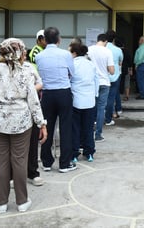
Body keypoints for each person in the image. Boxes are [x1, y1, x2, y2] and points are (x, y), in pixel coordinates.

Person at [0, 38, 48, 213]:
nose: (25, 53)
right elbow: (33, 101)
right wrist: (42, 123)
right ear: (19, 53)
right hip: (21, 123)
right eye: (23, 50)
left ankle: (1, 203)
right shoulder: (26, 72)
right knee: (19, 160)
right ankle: (22, 202)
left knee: (1, 160)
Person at [35, 27, 76, 173]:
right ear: (59, 39)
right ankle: (65, 163)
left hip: (47, 94)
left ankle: (46, 162)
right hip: (63, 92)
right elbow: (72, 73)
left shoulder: (39, 56)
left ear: (44, 40)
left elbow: (40, 74)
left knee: (47, 126)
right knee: (65, 128)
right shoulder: (66, 54)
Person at [69, 42, 99, 162]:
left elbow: (69, 81)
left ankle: (74, 153)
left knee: (75, 128)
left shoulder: (72, 64)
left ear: (75, 53)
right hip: (90, 100)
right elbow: (96, 81)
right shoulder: (90, 64)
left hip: (76, 99)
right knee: (88, 128)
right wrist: (94, 95)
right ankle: (89, 152)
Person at [25, 30, 47, 186]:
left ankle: (32, 172)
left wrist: (40, 122)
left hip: (32, 103)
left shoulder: (28, 66)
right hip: (11, 115)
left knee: (32, 140)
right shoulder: (36, 53)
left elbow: (38, 82)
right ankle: (14, 174)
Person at [87, 33, 114, 142]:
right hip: (104, 82)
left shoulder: (89, 49)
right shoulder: (107, 51)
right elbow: (112, 71)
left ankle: (89, 132)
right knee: (101, 108)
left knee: (91, 107)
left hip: (92, 83)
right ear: (106, 42)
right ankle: (98, 135)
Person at [104, 30, 123, 126]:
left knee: (100, 98)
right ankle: (108, 119)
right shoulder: (118, 50)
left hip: (103, 76)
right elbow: (120, 63)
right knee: (111, 98)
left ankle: (96, 118)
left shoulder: (102, 48)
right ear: (114, 38)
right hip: (115, 76)